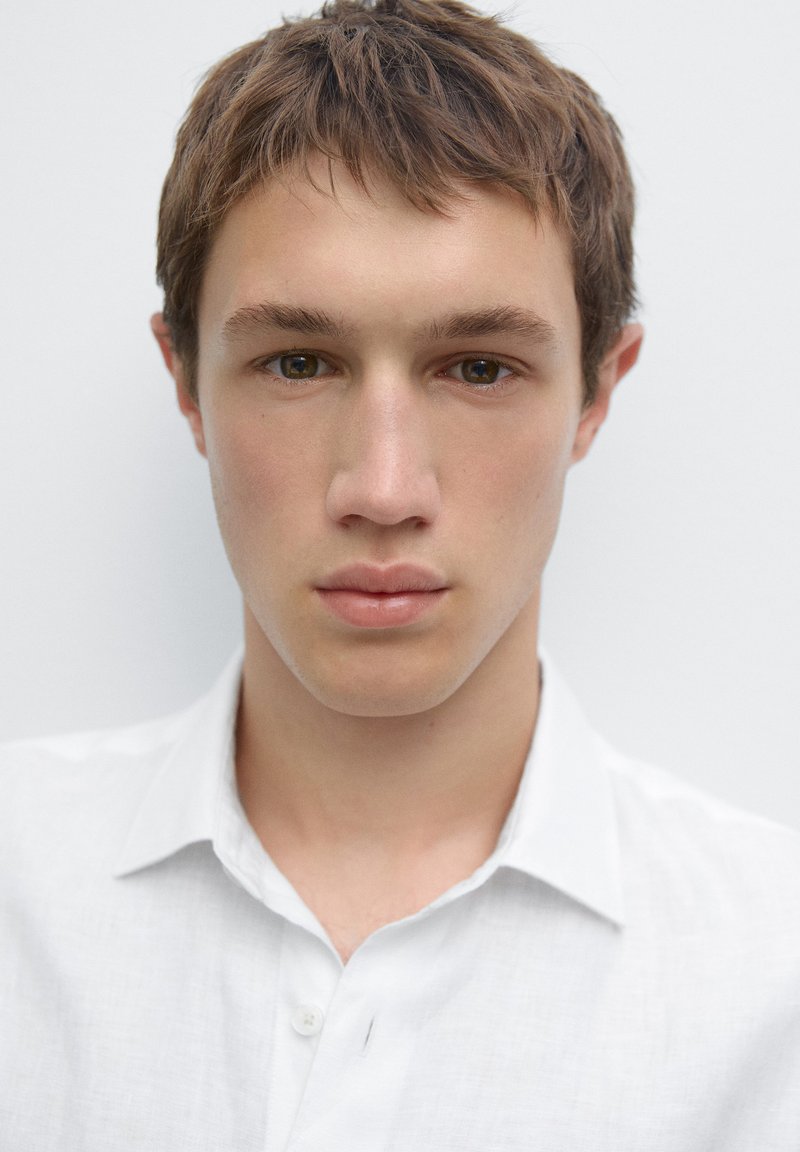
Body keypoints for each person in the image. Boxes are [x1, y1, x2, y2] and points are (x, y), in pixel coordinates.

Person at [2, 0, 799, 1147]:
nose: (381, 488)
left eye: (477, 368)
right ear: (185, 383)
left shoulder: (768, 972)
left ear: (596, 391)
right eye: (297, 362)